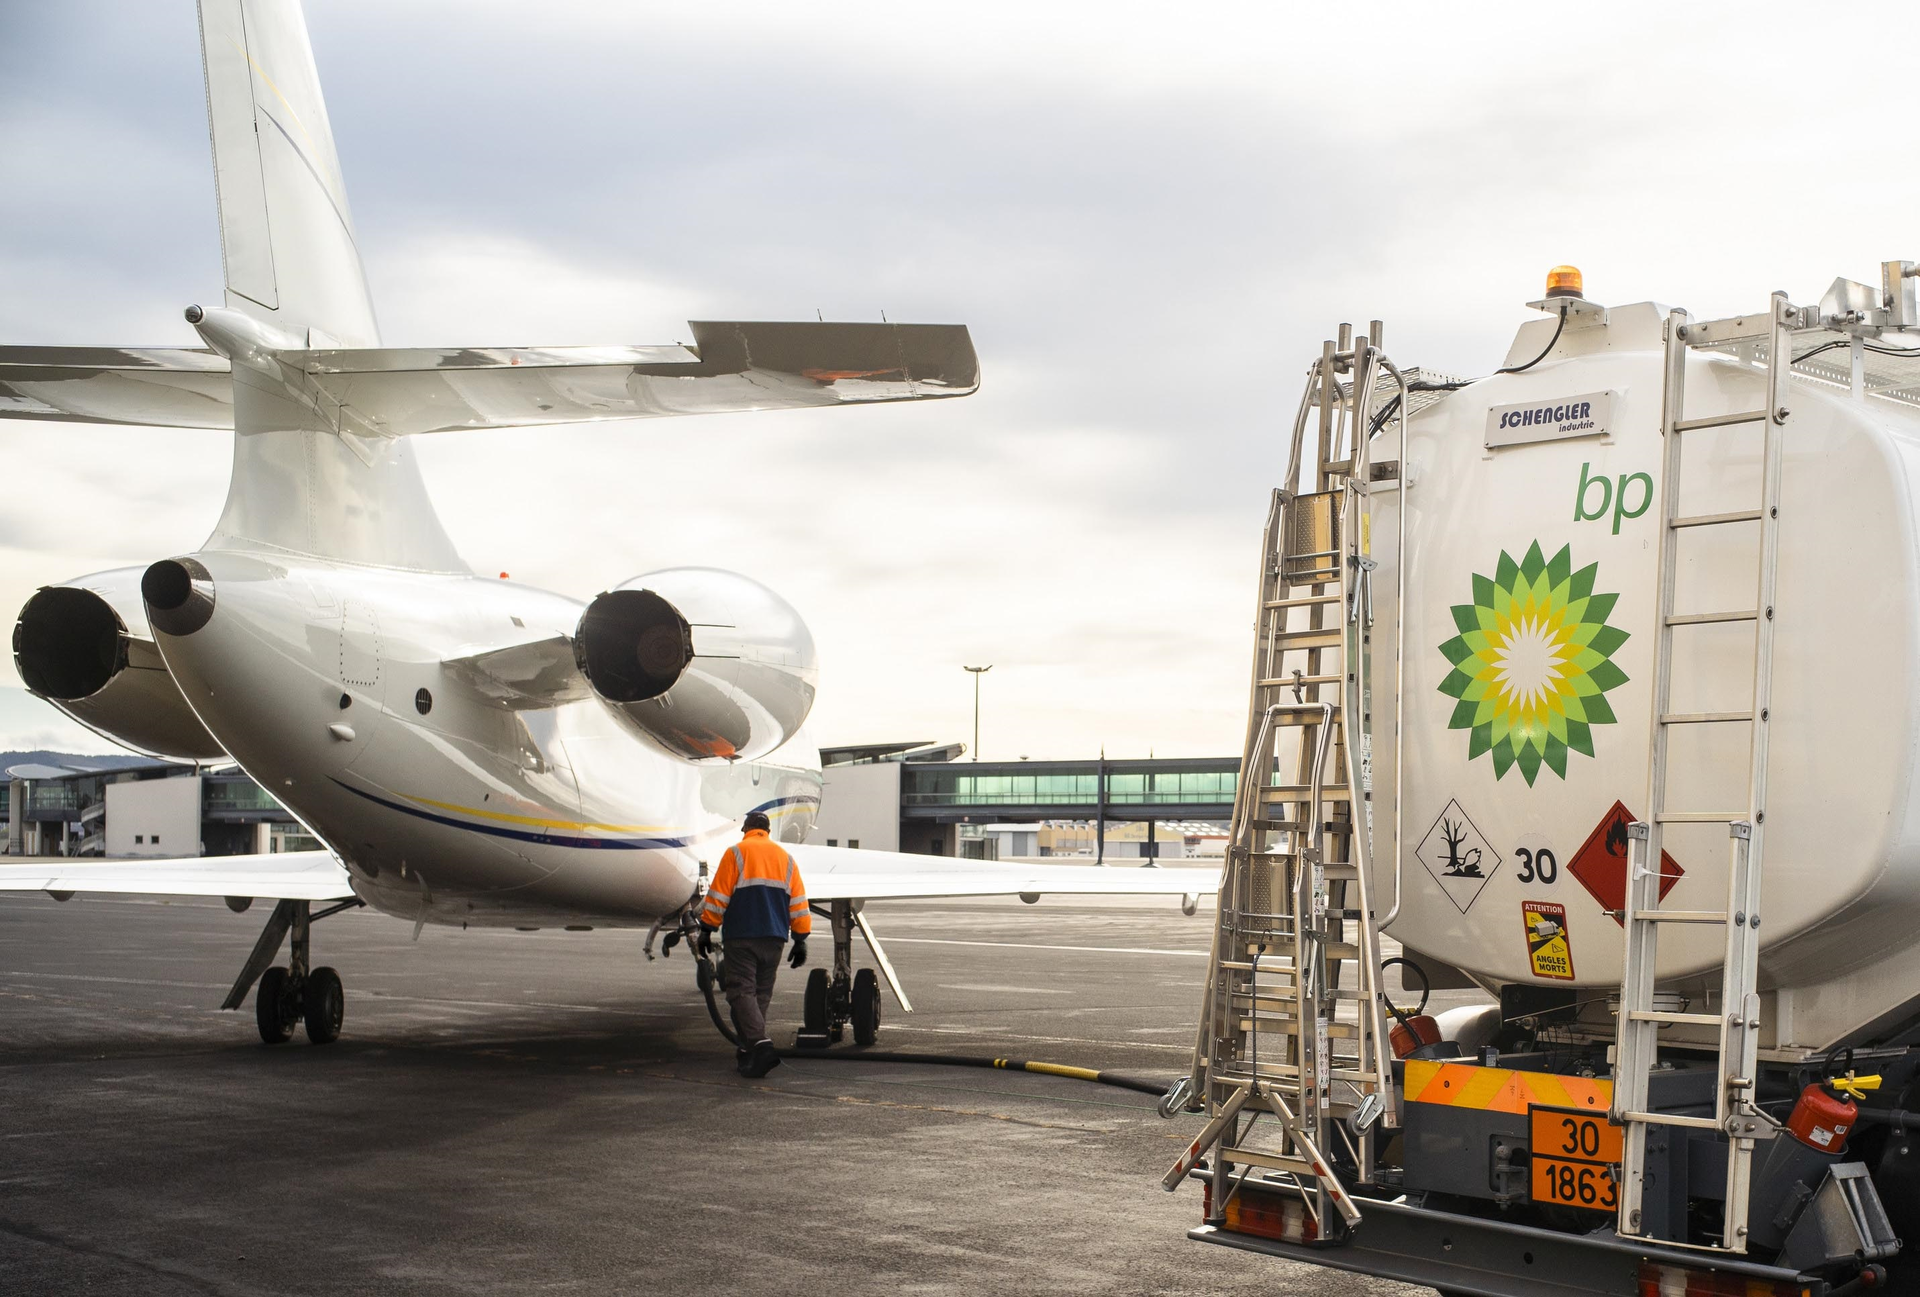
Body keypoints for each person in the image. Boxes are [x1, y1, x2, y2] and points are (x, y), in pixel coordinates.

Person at [697, 811, 810, 1077]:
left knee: (740, 992)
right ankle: (750, 1052)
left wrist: (706, 929)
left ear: (747, 828)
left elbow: (718, 896)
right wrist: (801, 939)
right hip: (775, 939)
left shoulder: (736, 852)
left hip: (742, 936)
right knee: (760, 994)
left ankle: (760, 1045)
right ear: (768, 830)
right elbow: (799, 903)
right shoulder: (786, 859)